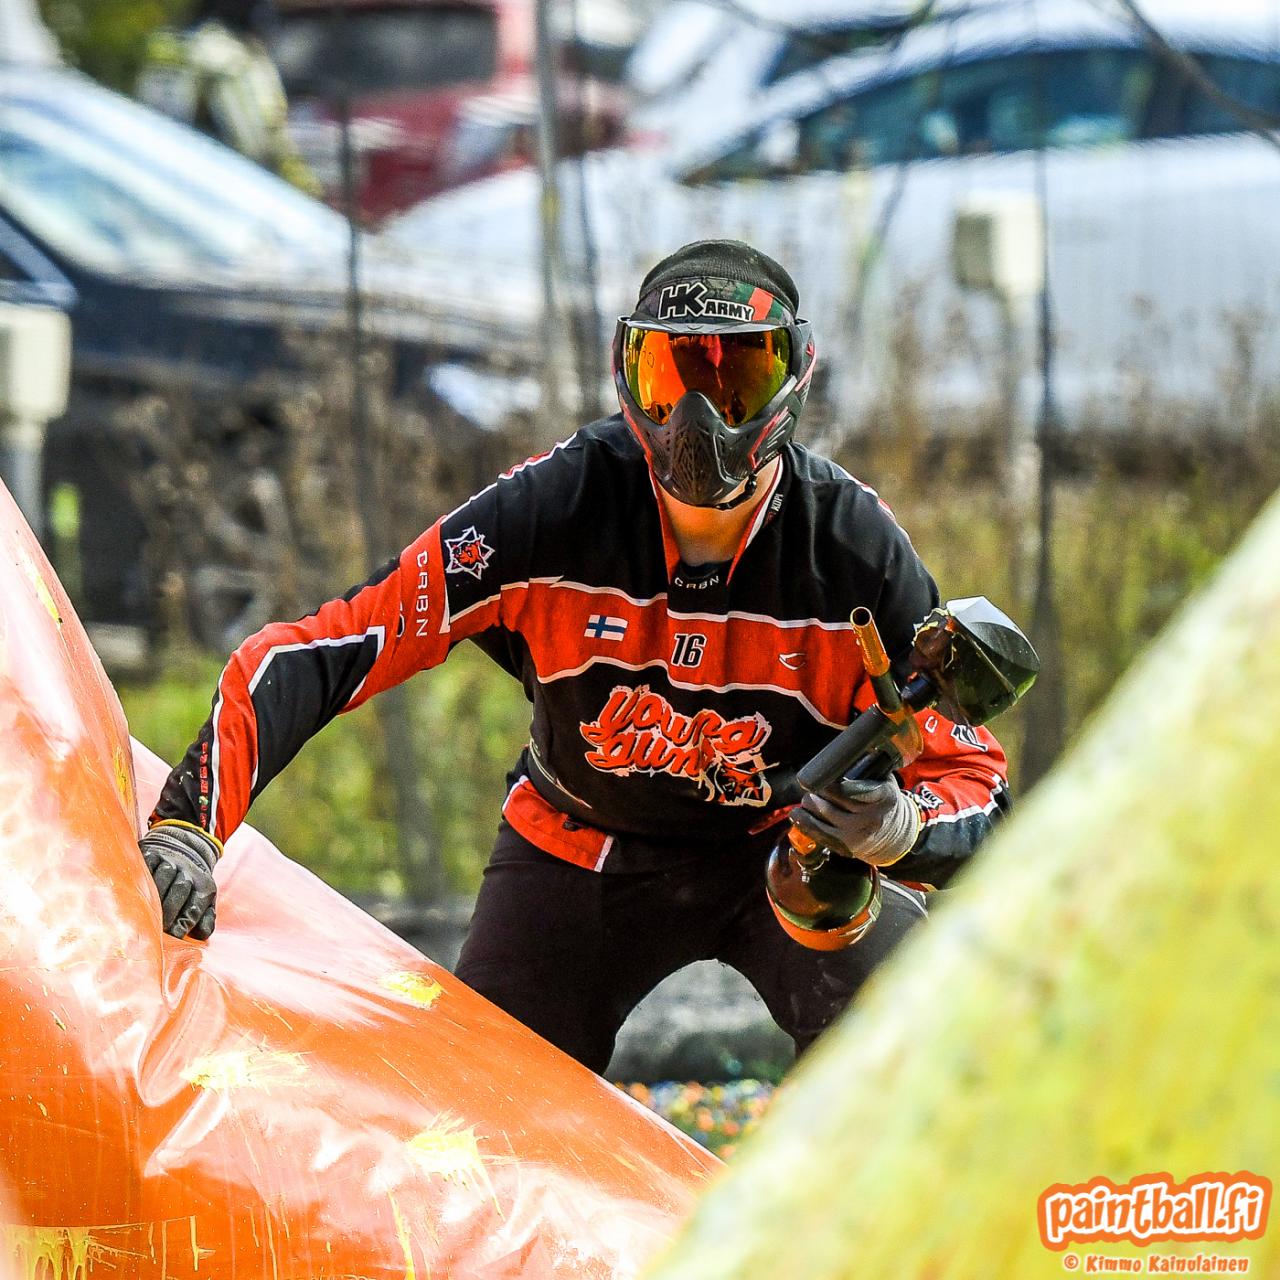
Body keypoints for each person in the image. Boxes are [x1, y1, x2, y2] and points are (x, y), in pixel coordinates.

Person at [139, 240, 1010, 1073]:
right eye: (669, 380)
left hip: (785, 849)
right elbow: (335, 645)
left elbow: (978, 783)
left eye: (735, 379)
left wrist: (898, 830)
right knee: (485, 1110)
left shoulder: (854, 552)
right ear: (625, 377)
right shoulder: (550, 511)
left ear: (794, 380)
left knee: (906, 1043)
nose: (698, 420)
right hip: (578, 842)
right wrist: (189, 823)